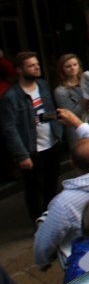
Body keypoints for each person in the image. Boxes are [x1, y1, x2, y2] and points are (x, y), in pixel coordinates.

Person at [33, 108, 89, 269]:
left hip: (88, 257)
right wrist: (75, 121)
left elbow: (46, 239)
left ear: (72, 163)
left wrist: (42, 261)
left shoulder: (64, 203)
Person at [1, 51, 65, 221]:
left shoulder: (43, 85)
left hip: (52, 142)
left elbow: (51, 109)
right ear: (19, 70)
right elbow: (9, 128)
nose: (36, 67)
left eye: (37, 64)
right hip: (31, 149)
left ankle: (52, 217)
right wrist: (22, 155)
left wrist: (58, 132)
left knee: (52, 181)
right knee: (34, 187)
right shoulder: (11, 96)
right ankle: (39, 221)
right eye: (31, 65)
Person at [53, 54, 89, 137]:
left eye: (75, 65)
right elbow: (71, 113)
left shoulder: (87, 81)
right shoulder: (60, 91)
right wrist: (86, 99)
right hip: (77, 128)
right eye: (68, 66)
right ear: (62, 69)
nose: (72, 68)